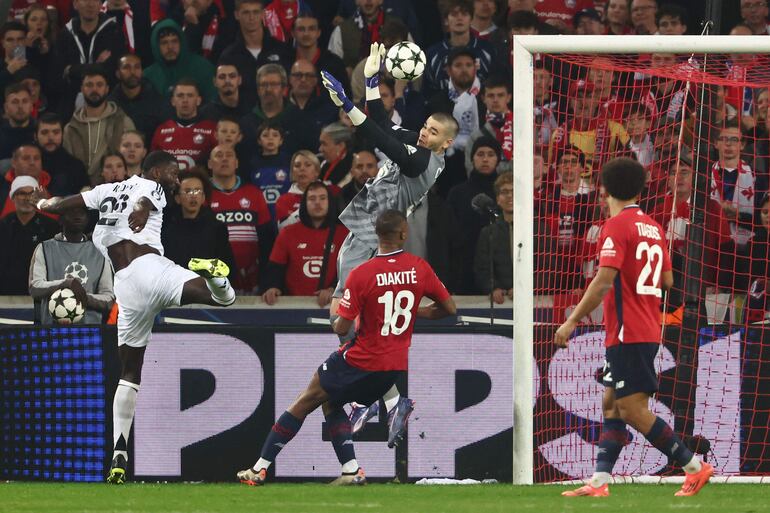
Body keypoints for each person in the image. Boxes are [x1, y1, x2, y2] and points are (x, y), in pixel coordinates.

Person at [34, 150, 237, 485]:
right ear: (156, 170)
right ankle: (212, 275)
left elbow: (64, 204)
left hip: (126, 289)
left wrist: (43, 204)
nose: (176, 180)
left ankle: (119, 453)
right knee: (222, 298)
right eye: (173, 173)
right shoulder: (153, 186)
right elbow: (145, 198)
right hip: (150, 270)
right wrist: (141, 211)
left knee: (129, 371)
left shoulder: (103, 191)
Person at [237, 209, 456, 486]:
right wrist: (414, 311)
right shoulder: (419, 268)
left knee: (305, 400)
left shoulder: (361, 274)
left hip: (360, 360)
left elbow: (341, 328)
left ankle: (259, 469)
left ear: (377, 236)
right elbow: (449, 308)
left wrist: (340, 309)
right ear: (404, 234)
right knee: (331, 401)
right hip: (394, 368)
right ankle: (352, 470)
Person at [320, 42, 459, 445]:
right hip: (370, 237)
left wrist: (349, 104)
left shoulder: (425, 162)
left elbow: (376, 136)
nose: (424, 132)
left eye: (434, 131)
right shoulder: (416, 148)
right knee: (353, 324)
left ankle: (380, 395)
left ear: (445, 142)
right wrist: (371, 82)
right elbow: (379, 121)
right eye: (425, 127)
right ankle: (383, 396)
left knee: (340, 319)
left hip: (368, 237)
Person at [554, 157, 713, 498]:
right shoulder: (654, 227)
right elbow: (668, 279)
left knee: (631, 409)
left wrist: (571, 320)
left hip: (629, 331)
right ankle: (599, 482)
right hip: (641, 327)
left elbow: (602, 281)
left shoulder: (616, 226)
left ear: (604, 189)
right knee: (611, 402)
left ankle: (693, 467)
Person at [261, 181, 348, 307]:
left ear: (330, 202)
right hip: (293, 307)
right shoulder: (287, 233)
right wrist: (272, 287)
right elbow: (275, 268)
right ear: (304, 204)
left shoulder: (345, 234)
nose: (317, 202)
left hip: (332, 305)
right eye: (312, 198)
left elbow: (351, 270)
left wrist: (334, 289)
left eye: (322, 198)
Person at [29, 204, 115, 324]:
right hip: (51, 330)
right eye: (71, 211)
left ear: (87, 219)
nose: (77, 216)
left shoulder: (100, 252)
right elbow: (35, 288)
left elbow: (109, 299)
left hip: (89, 333)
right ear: (61, 219)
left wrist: (83, 297)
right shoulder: (44, 248)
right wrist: (66, 283)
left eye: (82, 212)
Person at [208, 144, 275, 293]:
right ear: (210, 164)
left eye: (229, 155)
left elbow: (266, 240)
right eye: (219, 155)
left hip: (252, 280)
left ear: (237, 163)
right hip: (213, 281)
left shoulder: (254, 193)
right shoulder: (203, 195)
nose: (224, 159)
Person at [63, 66, 136, 185]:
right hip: (80, 190)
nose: (94, 89)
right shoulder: (70, 128)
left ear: (107, 89)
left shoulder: (123, 122)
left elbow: (132, 160)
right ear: (82, 89)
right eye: (89, 85)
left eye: (99, 85)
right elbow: (68, 165)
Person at [162, 166, 236, 273]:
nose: (193, 196)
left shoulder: (216, 228)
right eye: (188, 191)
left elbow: (227, 267)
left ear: (203, 198)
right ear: (177, 198)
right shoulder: (167, 229)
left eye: (197, 191)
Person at [0, 176, 58, 295]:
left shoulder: (51, 227)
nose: (27, 198)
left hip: (41, 292)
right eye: (22, 193)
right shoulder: (3, 226)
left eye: (31, 193)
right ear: (13, 197)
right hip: (6, 293)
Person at [151, 79, 218, 170]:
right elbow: (154, 164)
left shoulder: (212, 129)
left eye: (190, 95)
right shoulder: (161, 130)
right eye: (180, 96)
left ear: (198, 100)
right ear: (173, 101)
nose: (185, 100)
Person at [142, 19, 216, 101]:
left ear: (182, 42)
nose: (170, 47)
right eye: (164, 42)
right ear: (156, 46)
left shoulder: (203, 68)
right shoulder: (147, 77)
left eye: (174, 41)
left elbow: (214, 106)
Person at [109, 53, 169, 140]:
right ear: (118, 74)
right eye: (127, 67)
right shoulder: (111, 104)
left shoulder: (157, 101)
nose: (133, 72)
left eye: (137, 67)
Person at [474, 172, 512, 303]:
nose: (510, 196)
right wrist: (493, 287)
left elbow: (546, 266)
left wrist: (524, 288)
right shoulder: (488, 232)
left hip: (535, 300)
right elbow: (482, 269)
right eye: (504, 192)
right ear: (497, 199)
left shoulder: (538, 229)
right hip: (499, 301)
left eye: (514, 191)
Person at [36, 113, 90, 196]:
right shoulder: (28, 166)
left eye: (56, 132)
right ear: (35, 136)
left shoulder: (76, 166)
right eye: (44, 132)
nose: (50, 137)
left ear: (62, 134)